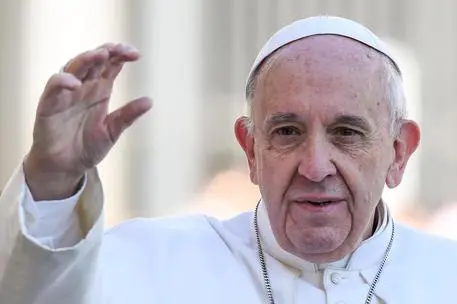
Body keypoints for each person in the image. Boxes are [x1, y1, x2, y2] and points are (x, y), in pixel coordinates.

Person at [0, 15, 456, 304]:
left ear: (398, 153)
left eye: (347, 133)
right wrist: (54, 179)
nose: (315, 167)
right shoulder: (151, 262)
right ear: (250, 150)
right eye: (287, 132)